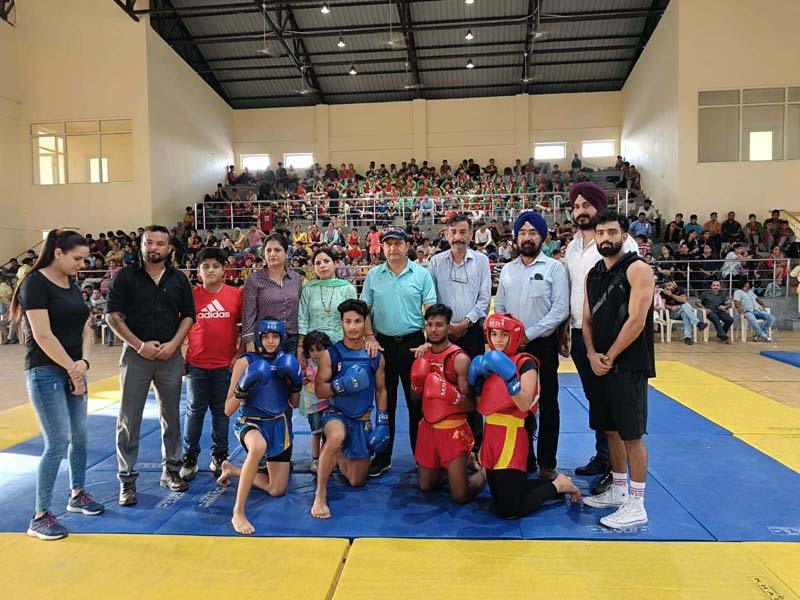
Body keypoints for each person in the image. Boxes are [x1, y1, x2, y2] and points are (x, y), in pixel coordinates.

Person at [12, 230, 104, 541]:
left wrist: (84, 364)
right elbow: (42, 335)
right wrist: (72, 369)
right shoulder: (35, 283)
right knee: (57, 440)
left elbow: (86, 329)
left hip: (75, 369)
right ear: (58, 253)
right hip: (46, 372)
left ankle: (77, 493)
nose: (83, 264)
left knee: (80, 435)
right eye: (77, 258)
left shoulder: (72, 284)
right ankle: (40, 515)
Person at [106, 225, 196, 506]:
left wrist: (175, 345)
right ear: (141, 246)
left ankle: (171, 470)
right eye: (149, 242)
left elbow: (189, 316)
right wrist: (139, 345)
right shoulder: (125, 277)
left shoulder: (178, 279)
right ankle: (127, 479)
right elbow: (112, 316)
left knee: (171, 414)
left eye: (160, 243)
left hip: (169, 355)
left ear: (169, 249)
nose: (154, 247)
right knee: (128, 418)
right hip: (136, 355)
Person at [563, 182, 640, 494]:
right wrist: (566, 330)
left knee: (615, 403)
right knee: (597, 402)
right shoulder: (572, 246)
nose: (581, 211)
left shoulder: (622, 244)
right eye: (577, 206)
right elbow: (573, 291)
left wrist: (617, 340)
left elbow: (634, 295)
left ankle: (617, 468)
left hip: (612, 337)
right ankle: (604, 455)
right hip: (582, 333)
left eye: (587, 206)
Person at [582, 210, 655, 529]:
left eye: (612, 232)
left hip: (628, 364)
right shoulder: (594, 273)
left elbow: (637, 320)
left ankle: (637, 503)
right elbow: (585, 319)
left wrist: (609, 356)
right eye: (600, 232)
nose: (606, 238)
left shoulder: (638, 268)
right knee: (609, 429)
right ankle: (618, 488)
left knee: (632, 434)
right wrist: (590, 353)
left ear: (625, 236)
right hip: (599, 361)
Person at [469, 313, 580, 518]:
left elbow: (524, 405)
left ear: (515, 336)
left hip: (512, 436)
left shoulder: (526, 363)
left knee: (508, 511)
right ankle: (545, 484)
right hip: (491, 434)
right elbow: (481, 407)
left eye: (504, 334)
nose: (498, 340)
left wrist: (510, 377)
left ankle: (559, 485)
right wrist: (475, 384)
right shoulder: (488, 364)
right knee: (499, 498)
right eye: (493, 334)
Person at [495, 211, 569, 479]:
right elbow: (500, 307)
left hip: (543, 346)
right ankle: (523, 457)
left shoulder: (554, 268)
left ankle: (547, 463)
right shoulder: (507, 270)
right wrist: (506, 337)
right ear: (515, 238)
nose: (527, 238)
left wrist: (530, 333)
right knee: (518, 402)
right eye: (522, 233)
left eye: (533, 233)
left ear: (543, 237)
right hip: (513, 349)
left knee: (548, 403)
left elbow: (560, 310)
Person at [362, 228, 437, 477]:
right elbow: (365, 311)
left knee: (418, 405)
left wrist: (429, 341)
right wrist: (370, 336)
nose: (392, 248)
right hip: (383, 345)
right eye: (388, 244)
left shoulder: (422, 274)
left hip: (414, 345)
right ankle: (383, 457)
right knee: (385, 404)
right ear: (381, 248)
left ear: (407, 246)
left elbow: (431, 310)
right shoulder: (374, 275)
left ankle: (421, 457)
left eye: (397, 243)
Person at [217, 320, 303, 534]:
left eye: (275, 337)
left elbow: (294, 403)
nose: (271, 341)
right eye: (266, 337)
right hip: (251, 423)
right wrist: (243, 387)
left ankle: (233, 470)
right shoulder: (245, 363)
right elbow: (228, 410)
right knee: (257, 447)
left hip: (279, 426)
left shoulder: (288, 362)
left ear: (282, 338)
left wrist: (296, 383)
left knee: (276, 490)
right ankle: (238, 512)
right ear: (258, 338)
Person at [311, 299, 389, 518]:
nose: (353, 327)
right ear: (341, 323)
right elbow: (319, 389)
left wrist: (383, 420)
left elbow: (381, 390)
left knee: (356, 481)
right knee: (336, 435)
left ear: (365, 323)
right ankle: (320, 493)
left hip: (362, 419)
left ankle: (337, 455)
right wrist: (341, 385)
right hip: (336, 414)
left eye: (357, 321)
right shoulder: (331, 354)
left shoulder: (375, 356)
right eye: (348, 322)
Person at [427, 214, 491, 454]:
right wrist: (445, 327)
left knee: (473, 386)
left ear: (471, 234)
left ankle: (476, 444)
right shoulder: (436, 262)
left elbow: (484, 299)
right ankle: (446, 443)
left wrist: (465, 322)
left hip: (472, 331)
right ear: (446, 234)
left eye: (463, 232)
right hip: (442, 336)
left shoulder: (482, 261)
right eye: (453, 232)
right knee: (444, 387)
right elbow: (432, 298)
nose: (458, 237)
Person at [412, 304, 486, 503]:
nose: (434, 329)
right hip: (428, 430)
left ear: (448, 327)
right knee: (425, 486)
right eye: (429, 325)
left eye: (439, 325)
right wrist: (417, 385)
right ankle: (461, 468)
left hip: (453, 431)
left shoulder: (459, 358)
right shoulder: (422, 355)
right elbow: (415, 399)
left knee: (460, 496)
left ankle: (486, 472)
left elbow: (472, 405)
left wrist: (449, 394)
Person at [180, 248, 243, 481]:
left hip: (224, 366)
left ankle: (220, 456)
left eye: (215, 266)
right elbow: (178, 328)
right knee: (194, 411)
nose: (211, 270)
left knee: (221, 411)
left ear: (224, 270)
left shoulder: (235, 295)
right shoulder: (191, 296)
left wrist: (240, 354)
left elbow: (245, 329)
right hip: (196, 364)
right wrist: (179, 355)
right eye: (205, 266)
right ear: (199, 271)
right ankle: (190, 457)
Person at [242, 234, 302, 355]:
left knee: (289, 373)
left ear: (286, 254)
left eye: (277, 250)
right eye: (268, 250)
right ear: (264, 254)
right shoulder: (255, 279)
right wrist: (250, 346)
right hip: (265, 341)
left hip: (292, 341)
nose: (272, 254)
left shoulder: (295, 278)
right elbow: (248, 315)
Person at [297, 248, 357, 359]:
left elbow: (353, 320)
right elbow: (303, 318)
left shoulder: (347, 288)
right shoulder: (308, 289)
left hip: (341, 346)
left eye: (326, 261)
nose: (322, 266)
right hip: (313, 349)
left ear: (335, 264)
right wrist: (301, 347)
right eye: (318, 263)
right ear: (314, 268)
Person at [300, 331, 333, 473]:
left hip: (328, 403)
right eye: (312, 350)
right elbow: (301, 379)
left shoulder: (330, 363)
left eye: (319, 349)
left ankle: (328, 457)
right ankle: (316, 458)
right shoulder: (306, 365)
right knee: (316, 432)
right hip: (313, 406)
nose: (316, 353)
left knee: (328, 432)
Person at [660, 279, 708, 345]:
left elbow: (684, 300)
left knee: (685, 313)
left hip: (682, 310)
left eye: (669, 285)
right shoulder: (663, 293)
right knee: (684, 306)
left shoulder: (680, 290)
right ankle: (698, 323)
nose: (668, 287)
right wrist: (671, 307)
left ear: (673, 283)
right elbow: (662, 304)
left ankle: (687, 338)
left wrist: (671, 295)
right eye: (666, 286)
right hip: (673, 313)